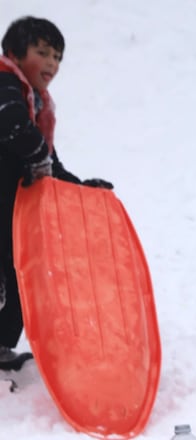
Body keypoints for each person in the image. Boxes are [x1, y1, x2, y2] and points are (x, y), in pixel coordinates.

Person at [0, 16, 113, 370]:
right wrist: (38, 158)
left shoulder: (34, 102)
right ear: (15, 54)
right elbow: (13, 127)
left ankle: (1, 348)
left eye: (58, 57)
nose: (51, 63)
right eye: (43, 52)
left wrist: (81, 188)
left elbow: (48, 162)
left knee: (19, 277)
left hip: (13, 214)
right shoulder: (4, 84)